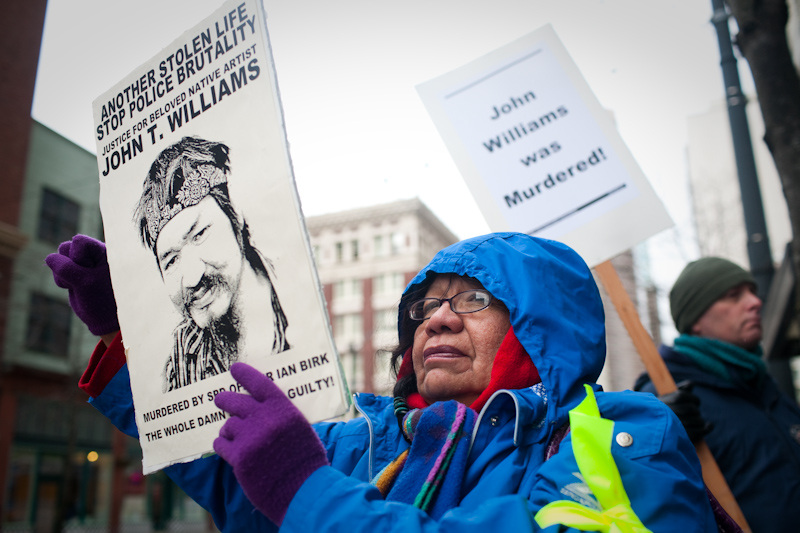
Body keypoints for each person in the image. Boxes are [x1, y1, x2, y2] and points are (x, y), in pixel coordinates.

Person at [49, 232, 724, 532]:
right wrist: (133, 338)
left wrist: (311, 494)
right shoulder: (364, 438)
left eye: (474, 300)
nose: (439, 319)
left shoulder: (618, 433)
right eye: (425, 306)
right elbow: (228, 465)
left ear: (537, 327)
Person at [49, 137, 291, 392]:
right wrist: (111, 327)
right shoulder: (182, 356)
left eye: (199, 234)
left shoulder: (302, 302)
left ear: (236, 215)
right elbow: (153, 414)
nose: (192, 277)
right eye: (171, 260)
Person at [635, 256, 800, 533]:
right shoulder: (664, 398)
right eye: (734, 296)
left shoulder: (764, 386)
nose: (755, 302)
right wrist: (656, 436)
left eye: (752, 291)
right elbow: (645, 497)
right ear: (696, 320)